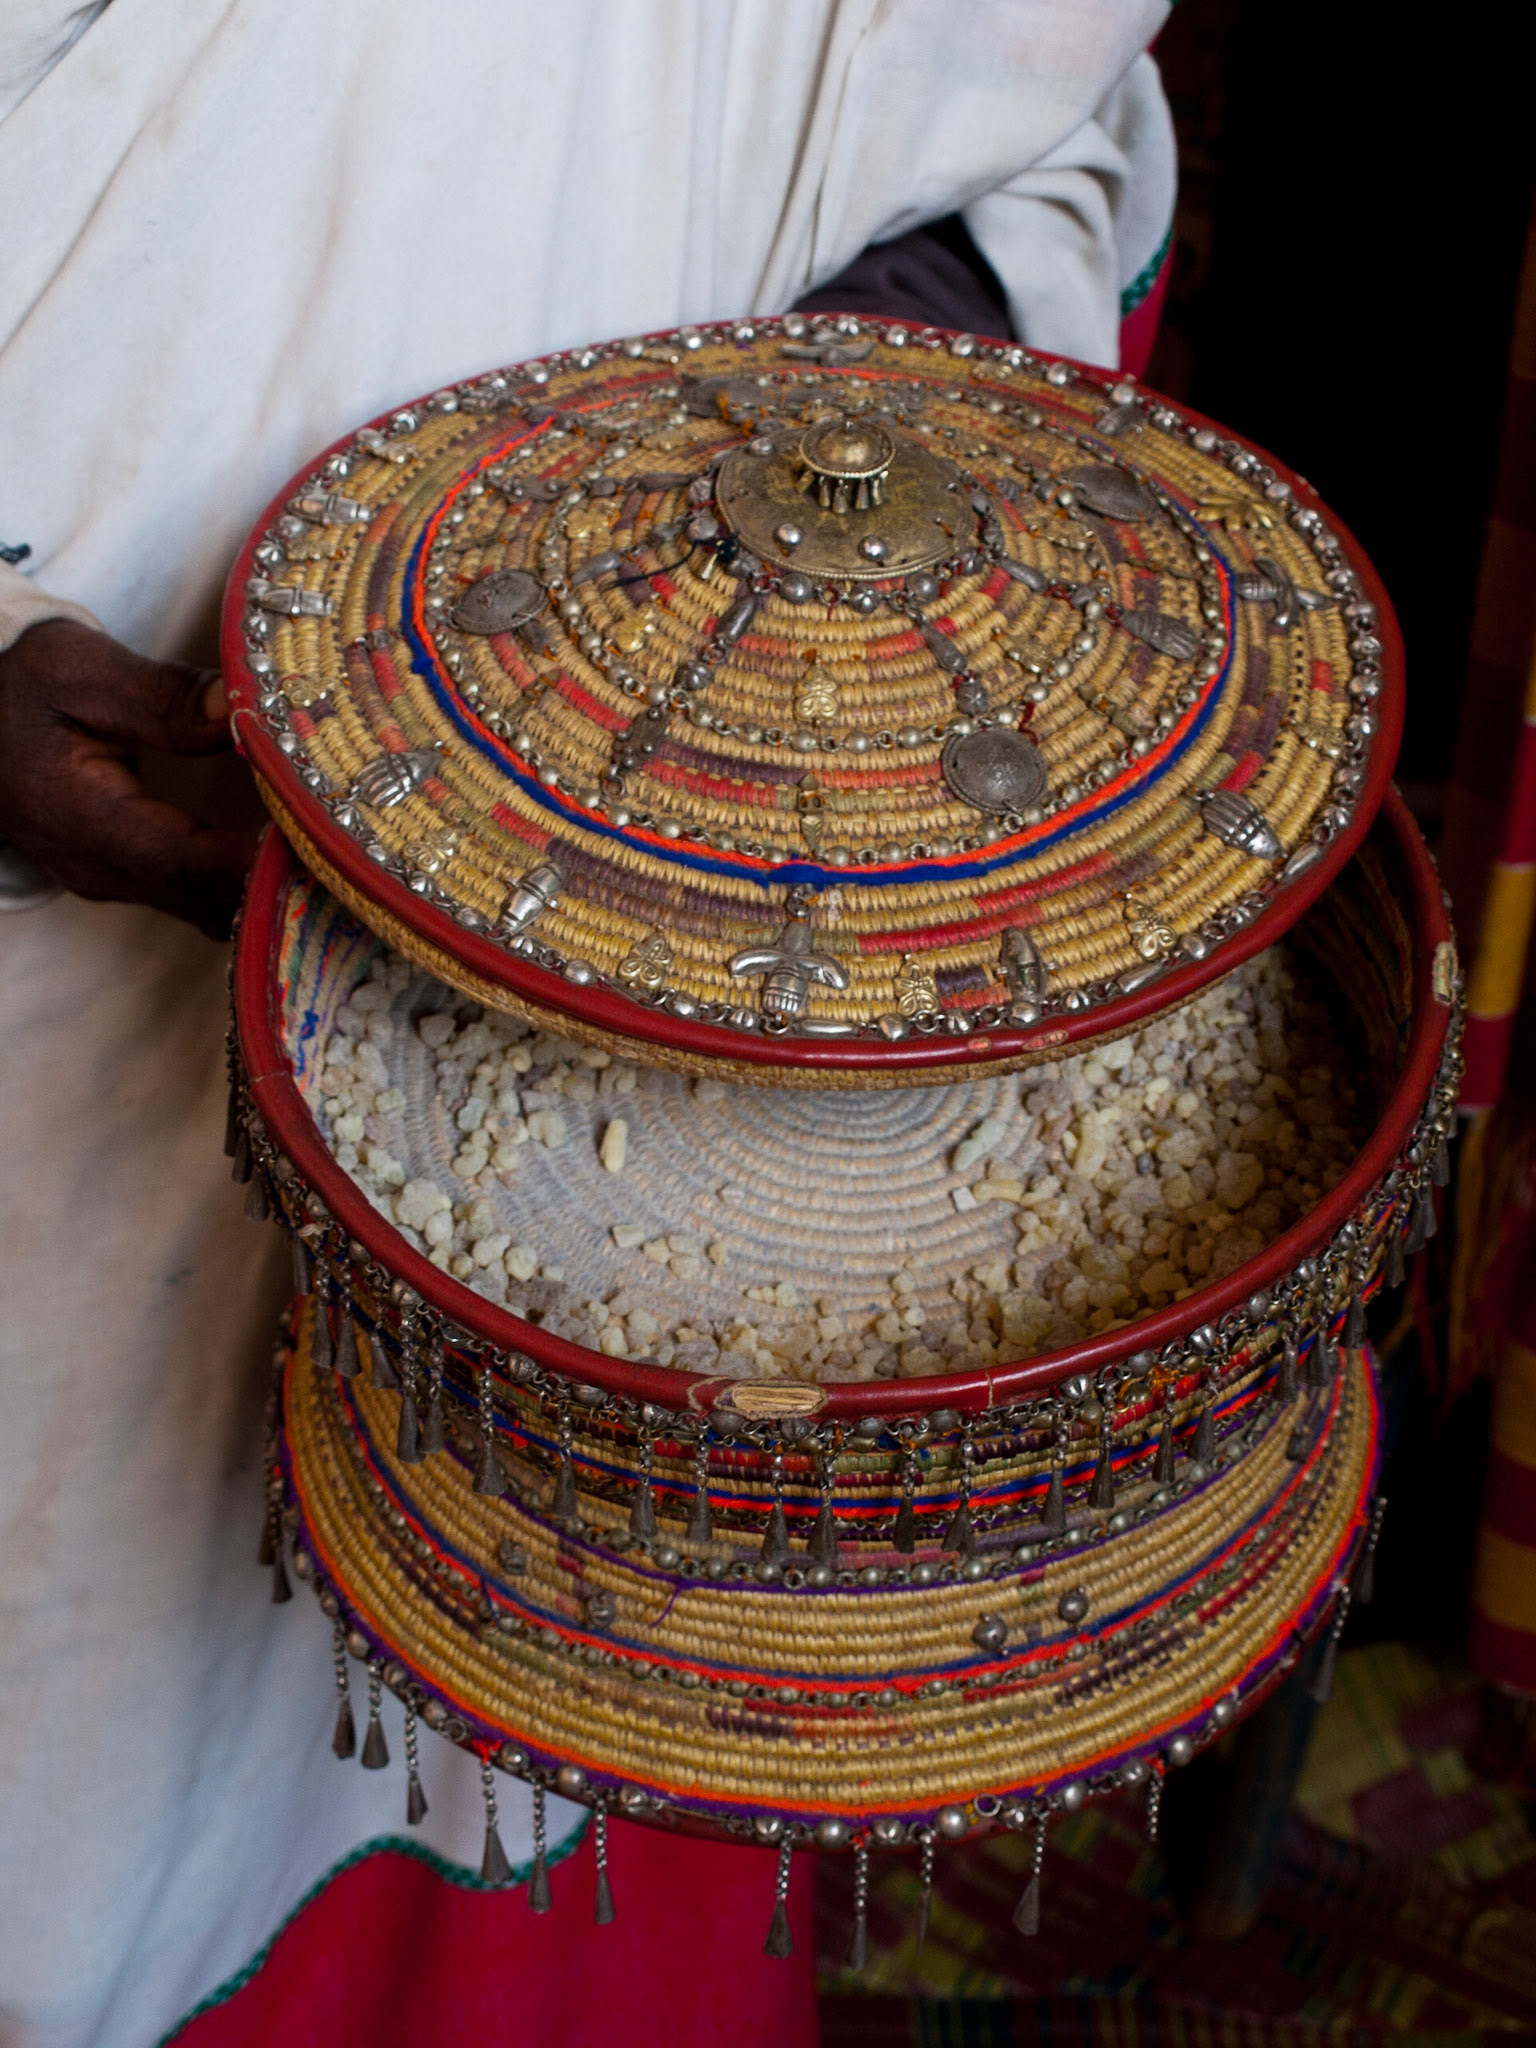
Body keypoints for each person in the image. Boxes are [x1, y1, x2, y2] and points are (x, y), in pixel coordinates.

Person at [0, 6, 1174, 2042]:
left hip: (580, 1155)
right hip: (50, 1170)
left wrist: (792, 485)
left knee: (500, 1797)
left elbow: (1037, 145)